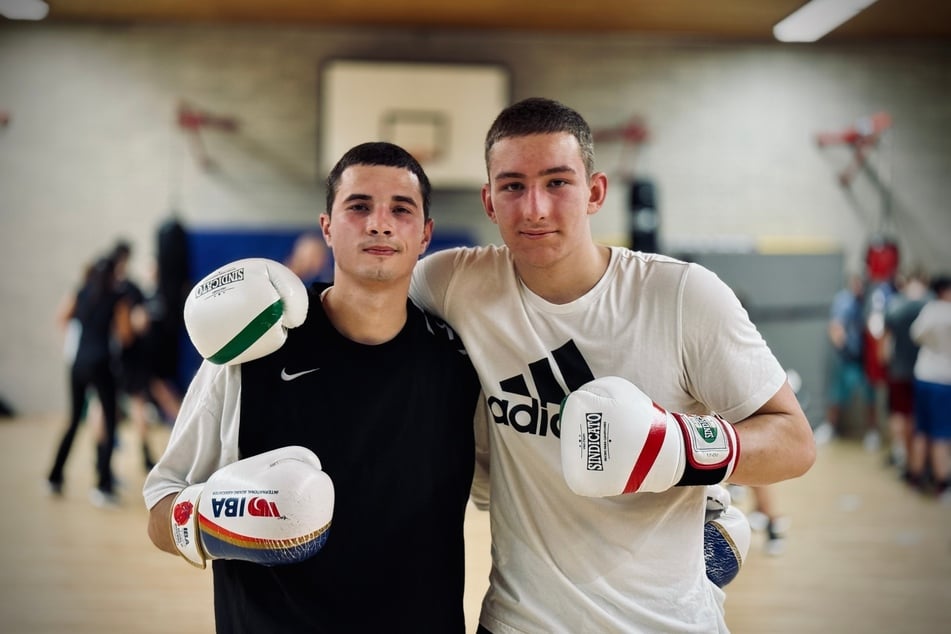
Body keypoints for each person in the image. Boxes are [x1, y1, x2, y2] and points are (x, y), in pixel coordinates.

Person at [407, 97, 815, 632]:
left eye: (557, 182)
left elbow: (794, 443)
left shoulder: (680, 295)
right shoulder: (451, 284)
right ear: (488, 200)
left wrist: (677, 448)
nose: (534, 208)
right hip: (519, 619)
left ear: (595, 192)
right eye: (512, 186)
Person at [143, 142, 482, 632]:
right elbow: (161, 511)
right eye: (358, 206)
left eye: (401, 210)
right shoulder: (254, 350)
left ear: (426, 233)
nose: (379, 223)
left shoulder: (458, 362)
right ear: (326, 226)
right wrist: (216, 518)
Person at [48, 250, 133, 507]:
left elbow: (61, 318)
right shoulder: (118, 297)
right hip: (102, 363)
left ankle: (54, 477)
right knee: (109, 421)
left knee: (74, 419)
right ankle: (103, 486)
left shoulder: (81, 292)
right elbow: (126, 335)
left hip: (78, 363)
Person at [815, 273, 876, 445]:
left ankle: (872, 431)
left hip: (864, 359)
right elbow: (835, 328)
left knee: (869, 396)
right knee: (837, 395)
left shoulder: (868, 301)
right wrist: (845, 348)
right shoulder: (844, 301)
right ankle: (830, 427)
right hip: (847, 359)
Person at [906, 275, 951, 500]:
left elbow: (915, 335)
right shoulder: (947, 312)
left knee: (922, 430)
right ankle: (942, 483)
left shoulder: (929, 311)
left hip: (923, 375)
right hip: (943, 380)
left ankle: (915, 477)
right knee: (941, 434)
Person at [881, 269, 930, 471]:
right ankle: (918, 463)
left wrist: (885, 364)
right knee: (918, 419)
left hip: (899, 369)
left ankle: (903, 455)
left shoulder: (894, 306)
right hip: (924, 372)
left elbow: (884, 346)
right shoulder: (931, 305)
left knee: (899, 415)